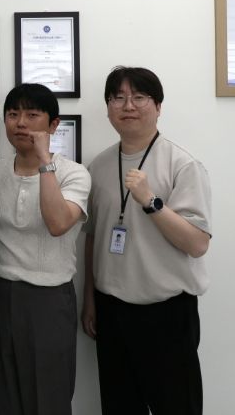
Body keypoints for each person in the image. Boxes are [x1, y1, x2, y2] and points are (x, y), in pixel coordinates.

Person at [81, 67, 212, 415]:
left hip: (167, 312)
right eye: (118, 98)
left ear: (158, 106)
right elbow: (93, 238)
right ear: (108, 108)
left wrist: (151, 202)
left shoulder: (182, 164)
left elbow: (197, 243)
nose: (128, 105)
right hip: (111, 309)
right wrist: (90, 300)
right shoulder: (99, 166)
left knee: (177, 406)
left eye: (139, 97)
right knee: (119, 406)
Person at [0, 83, 90, 415]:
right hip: (0, 294)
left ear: (53, 125)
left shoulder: (74, 174)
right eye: (13, 114)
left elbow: (58, 223)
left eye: (32, 115)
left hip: (50, 299)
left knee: (49, 398)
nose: (20, 123)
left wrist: (45, 162)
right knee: (0, 396)